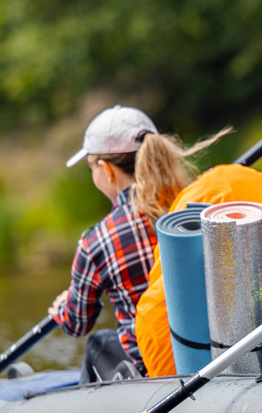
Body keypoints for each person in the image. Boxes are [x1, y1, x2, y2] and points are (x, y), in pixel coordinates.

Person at [50, 105, 227, 382]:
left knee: (99, 341)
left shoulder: (97, 240)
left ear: (107, 171)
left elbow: (78, 322)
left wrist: (62, 308)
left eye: (90, 167)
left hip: (151, 370)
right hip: (212, 355)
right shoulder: (194, 207)